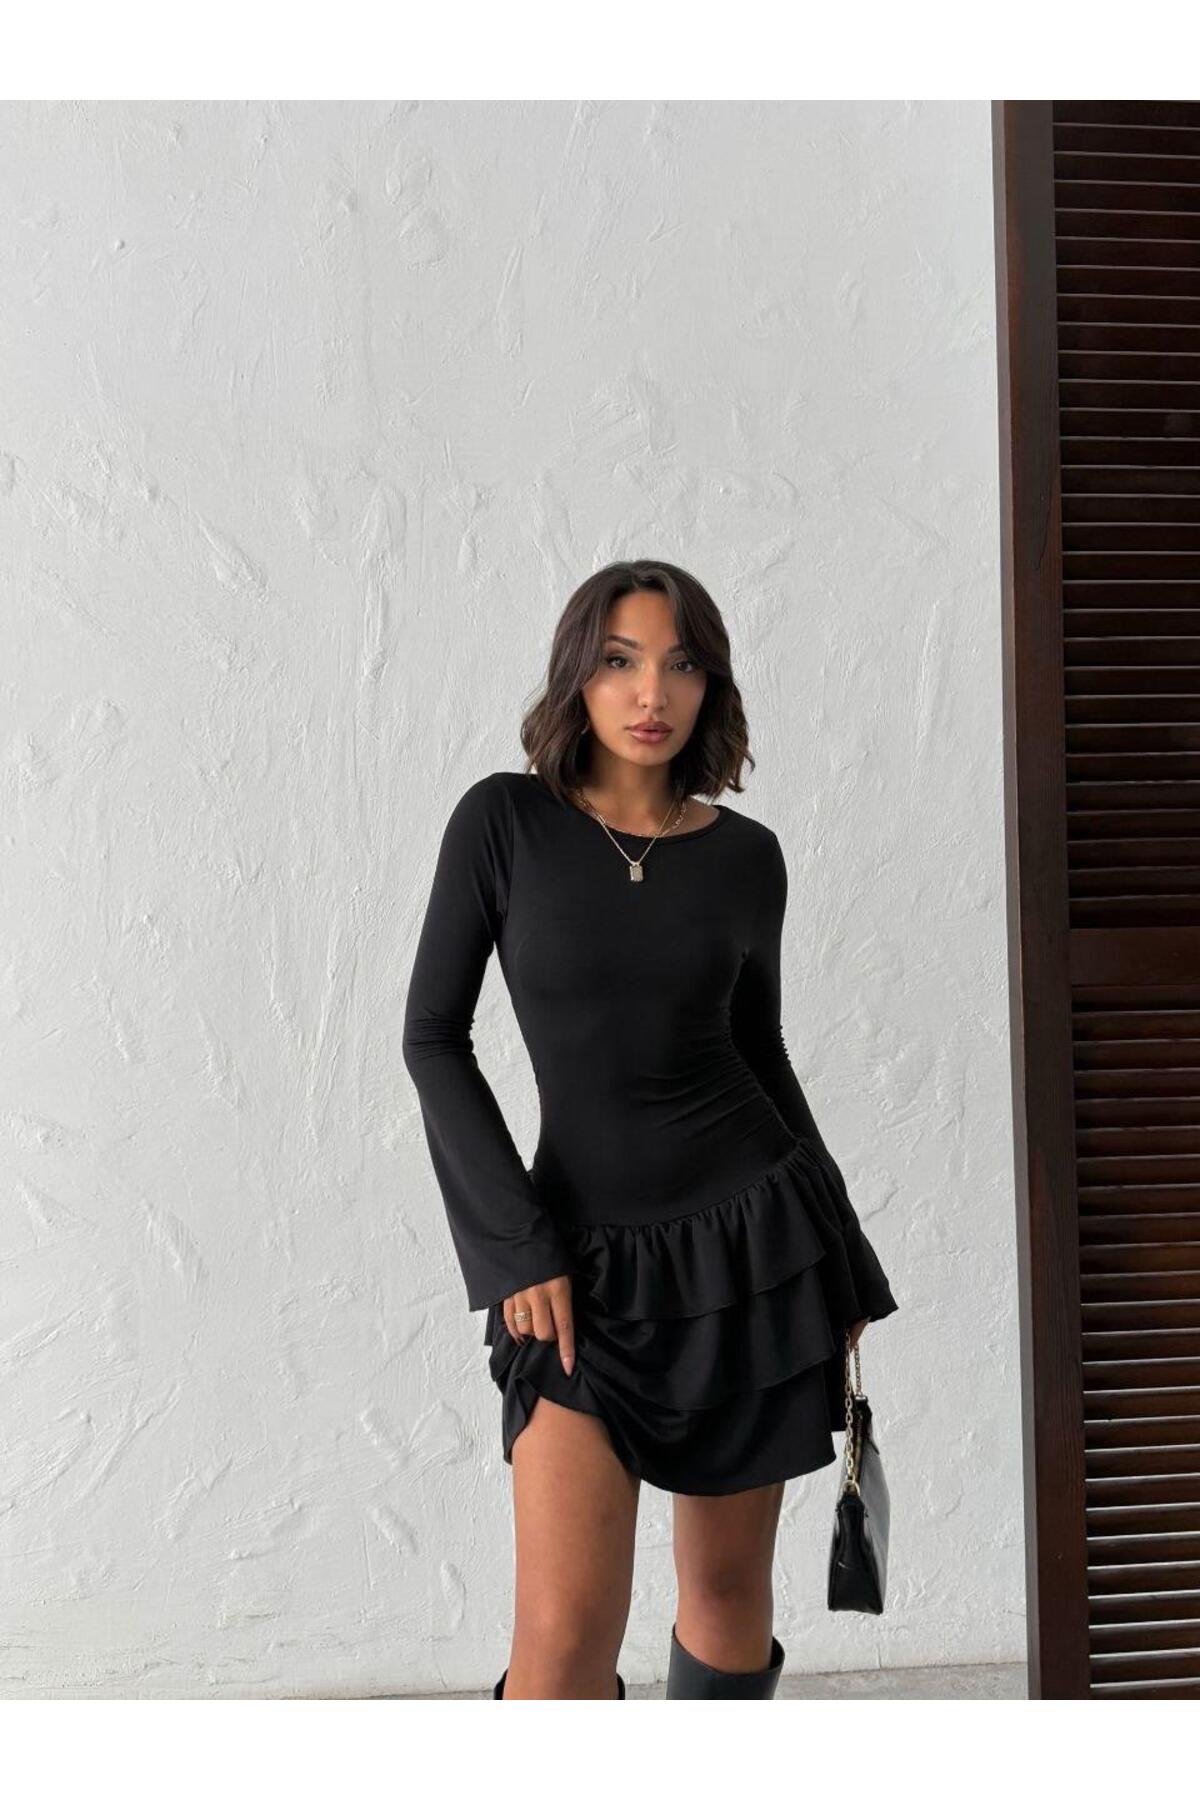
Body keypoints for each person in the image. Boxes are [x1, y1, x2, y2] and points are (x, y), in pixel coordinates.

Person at [402, 559, 899, 1700]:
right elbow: (433, 1038)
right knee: (563, 1638)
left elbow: (760, 1054)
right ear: (578, 674)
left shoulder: (746, 857)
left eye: (681, 664)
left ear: (709, 683)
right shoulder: (504, 822)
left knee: (726, 1598)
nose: (650, 692)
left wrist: (840, 1258)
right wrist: (514, 1247)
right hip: (574, 1272)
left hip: (749, 1255)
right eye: (621, 660)